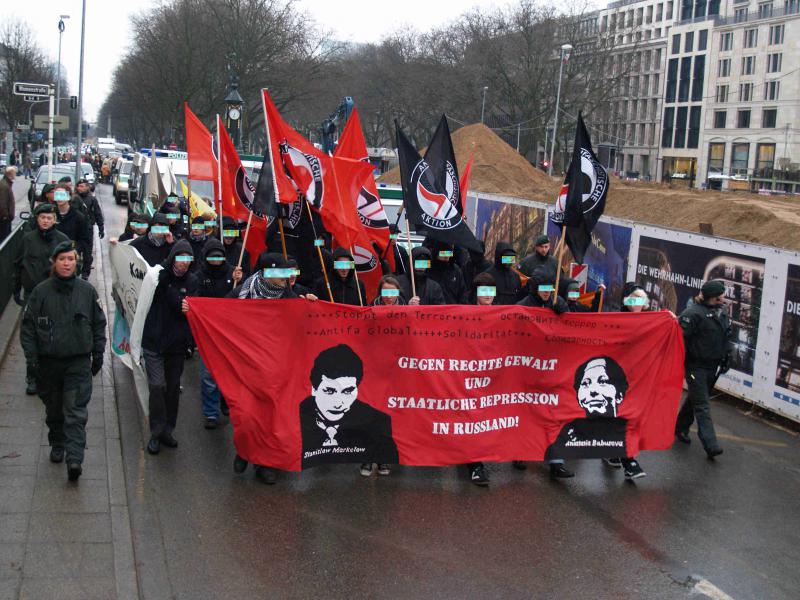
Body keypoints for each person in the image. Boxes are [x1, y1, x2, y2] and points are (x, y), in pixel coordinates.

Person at [226, 252, 317, 484]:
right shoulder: (242, 294)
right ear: (266, 273)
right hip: (246, 367)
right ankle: (244, 451)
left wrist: (311, 307)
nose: (285, 277)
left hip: (277, 371)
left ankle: (264, 464)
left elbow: (305, 326)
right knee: (246, 417)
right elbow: (220, 312)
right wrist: (192, 308)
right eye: (280, 272)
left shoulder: (291, 298)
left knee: (270, 419)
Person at [19, 241, 106, 481]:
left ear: (76, 262)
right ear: (54, 263)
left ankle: (75, 459)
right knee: (54, 409)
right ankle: (57, 441)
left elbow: (99, 324)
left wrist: (98, 352)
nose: (67, 263)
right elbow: (28, 329)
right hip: (49, 363)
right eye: (62, 259)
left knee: (75, 411)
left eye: (70, 259)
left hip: (78, 362)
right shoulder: (41, 292)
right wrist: (32, 358)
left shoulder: (86, 291)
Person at [141, 240, 199, 456]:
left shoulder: (192, 281)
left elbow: (187, 308)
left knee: (172, 389)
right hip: (154, 342)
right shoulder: (157, 277)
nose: (183, 263)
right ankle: (155, 433)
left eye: (188, 259)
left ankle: (168, 430)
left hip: (176, 345)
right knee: (157, 386)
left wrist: (185, 305)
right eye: (180, 258)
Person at [300, 344, 399, 470]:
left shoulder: (376, 420)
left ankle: (371, 459)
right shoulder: (295, 415)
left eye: (347, 391)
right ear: (314, 389)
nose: (338, 403)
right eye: (329, 391)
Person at [517, 267, 573, 478]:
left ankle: (556, 461)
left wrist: (563, 311)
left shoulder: (558, 303)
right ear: (534, 288)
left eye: (550, 287)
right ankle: (520, 452)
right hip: (528, 369)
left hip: (552, 369)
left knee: (552, 414)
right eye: (543, 288)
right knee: (525, 412)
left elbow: (572, 327)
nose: (547, 292)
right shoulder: (523, 307)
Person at [13, 203, 71, 393]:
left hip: (55, 294)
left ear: (54, 220)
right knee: (31, 335)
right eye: (42, 217)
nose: (45, 221)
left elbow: (70, 268)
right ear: (37, 219)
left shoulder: (62, 240)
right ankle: (32, 376)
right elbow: (18, 263)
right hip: (32, 295)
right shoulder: (28, 239)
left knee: (55, 334)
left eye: (49, 218)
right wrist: (16, 288)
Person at [675, 279, 731, 459]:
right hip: (695, 366)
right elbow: (680, 340)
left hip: (712, 366)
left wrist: (727, 357)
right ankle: (710, 444)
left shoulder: (721, 312)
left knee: (696, 399)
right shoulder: (692, 314)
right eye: (722, 294)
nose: (724, 296)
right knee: (702, 405)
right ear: (714, 297)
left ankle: (680, 427)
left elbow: (726, 336)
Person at [196, 238, 242, 429]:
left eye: (219, 257)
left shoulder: (233, 273)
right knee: (208, 375)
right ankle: (210, 413)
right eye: (212, 257)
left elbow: (242, 297)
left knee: (228, 371)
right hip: (207, 332)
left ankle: (225, 400)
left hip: (228, 332)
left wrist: (240, 281)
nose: (216, 260)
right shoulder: (198, 276)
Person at [465, 272, 498, 486]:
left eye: (491, 291)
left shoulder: (505, 314)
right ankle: (475, 464)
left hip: (495, 375)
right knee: (473, 417)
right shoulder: (464, 314)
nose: (487, 295)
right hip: (469, 374)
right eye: (483, 291)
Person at [53, 186, 92, 280]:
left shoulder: (78, 217)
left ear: (69, 197)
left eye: (62, 195)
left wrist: (75, 250)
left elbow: (84, 240)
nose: (59, 198)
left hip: (70, 258)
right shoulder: (51, 214)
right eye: (57, 195)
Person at [425, 239, 468, 304]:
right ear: (437, 252)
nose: (446, 256)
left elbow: (462, 294)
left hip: (452, 311)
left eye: (449, 252)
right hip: (432, 310)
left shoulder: (456, 270)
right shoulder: (428, 268)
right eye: (443, 252)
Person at [0, 166, 16, 242]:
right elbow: (2, 203)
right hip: (4, 219)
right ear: (10, 174)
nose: (15, 175)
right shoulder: (4, 186)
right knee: (4, 239)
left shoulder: (6, 184)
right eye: (14, 173)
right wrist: (5, 216)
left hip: (6, 218)